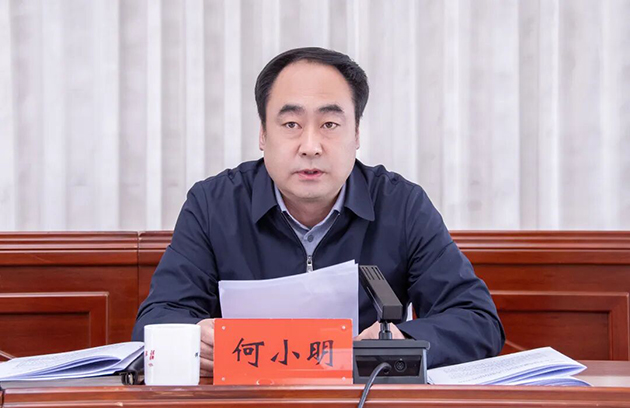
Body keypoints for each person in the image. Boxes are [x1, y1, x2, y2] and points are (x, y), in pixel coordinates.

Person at [132, 47, 504, 376]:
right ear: (263, 134)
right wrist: (192, 340)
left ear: (356, 134)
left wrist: (401, 340)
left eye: (329, 124)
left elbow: (478, 321)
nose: (310, 146)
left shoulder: (401, 205)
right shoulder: (214, 205)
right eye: (291, 124)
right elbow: (157, 320)